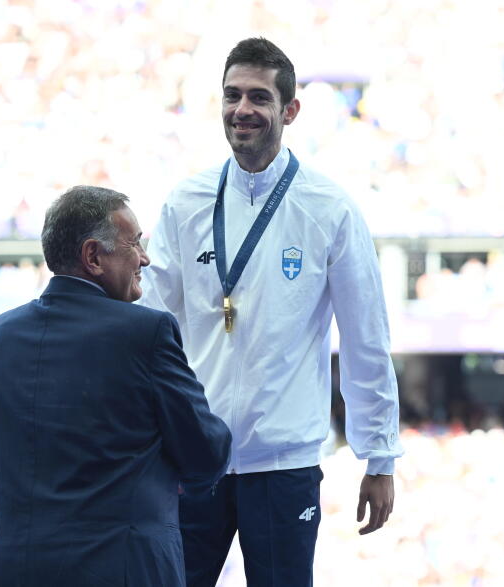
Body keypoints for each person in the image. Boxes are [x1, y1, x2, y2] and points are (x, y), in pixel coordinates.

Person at [139, 38, 403, 586]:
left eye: (259, 97)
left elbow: (365, 338)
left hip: (284, 464)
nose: (243, 110)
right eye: (232, 95)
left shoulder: (328, 208)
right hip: (193, 457)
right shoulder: (185, 202)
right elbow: (147, 327)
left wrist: (379, 457)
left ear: (290, 110)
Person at [0, 186, 232, 586]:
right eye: (135, 243)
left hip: (11, 570)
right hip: (123, 571)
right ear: (93, 256)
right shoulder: (147, 332)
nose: (145, 257)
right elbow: (206, 453)